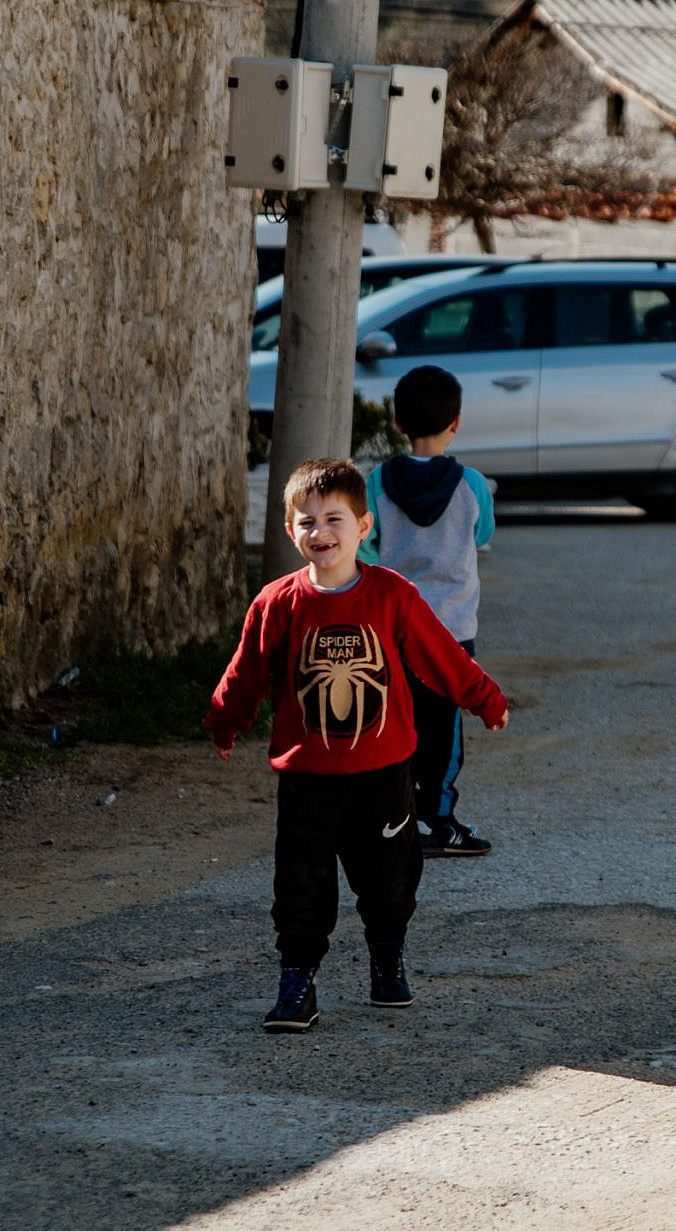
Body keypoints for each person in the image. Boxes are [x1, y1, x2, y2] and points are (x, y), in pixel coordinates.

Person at [204, 457, 509, 1034]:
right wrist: (226, 717)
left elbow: (439, 656)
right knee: (299, 885)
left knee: (391, 881)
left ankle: (386, 956)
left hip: (383, 773)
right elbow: (247, 670)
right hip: (307, 776)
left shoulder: (393, 595)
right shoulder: (277, 602)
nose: (321, 533)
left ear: (364, 527)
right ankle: (297, 980)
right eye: (307, 521)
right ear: (288, 530)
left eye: (335, 519)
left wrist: (483, 697)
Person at [362, 365, 499, 857]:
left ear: (397, 424)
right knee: (444, 729)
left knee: (395, 721)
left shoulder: (376, 481)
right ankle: (440, 822)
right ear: (455, 422)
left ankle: (395, 819)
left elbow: (366, 545)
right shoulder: (472, 485)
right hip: (452, 630)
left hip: (394, 627)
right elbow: (482, 536)